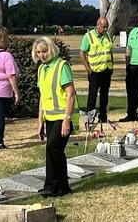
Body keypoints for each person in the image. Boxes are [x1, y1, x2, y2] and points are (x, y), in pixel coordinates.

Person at [32, 36, 79, 197]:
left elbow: (71, 94)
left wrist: (67, 119)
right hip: (50, 117)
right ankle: (56, 186)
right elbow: (43, 97)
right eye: (38, 52)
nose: (41, 55)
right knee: (52, 150)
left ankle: (57, 186)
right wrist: (40, 121)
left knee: (54, 148)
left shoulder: (61, 66)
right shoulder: (41, 68)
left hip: (62, 116)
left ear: (51, 50)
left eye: (44, 51)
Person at [79, 17, 113, 123]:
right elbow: (81, 53)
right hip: (94, 71)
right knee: (92, 94)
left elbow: (109, 52)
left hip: (106, 70)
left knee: (104, 94)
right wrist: (88, 69)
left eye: (107, 27)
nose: (106, 29)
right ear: (98, 25)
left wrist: (112, 66)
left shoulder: (107, 35)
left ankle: (103, 116)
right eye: (104, 27)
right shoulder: (88, 36)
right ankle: (90, 117)